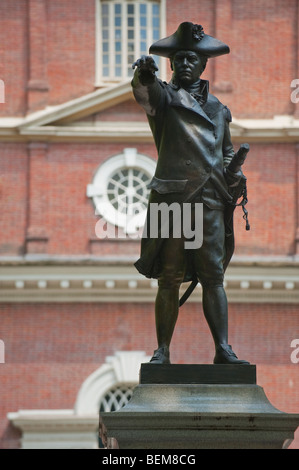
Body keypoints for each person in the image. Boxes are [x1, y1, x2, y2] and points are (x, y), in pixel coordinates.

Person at [131, 22, 249, 365]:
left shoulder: (218, 108)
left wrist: (235, 173)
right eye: (179, 58)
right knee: (169, 277)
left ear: (203, 64)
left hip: (210, 198)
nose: (184, 63)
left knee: (213, 276)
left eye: (192, 58)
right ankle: (162, 351)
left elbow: (225, 151)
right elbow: (145, 93)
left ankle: (223, 350)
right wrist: (144, 74)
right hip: (174, 200)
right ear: (171, 65)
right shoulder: (165, 97)